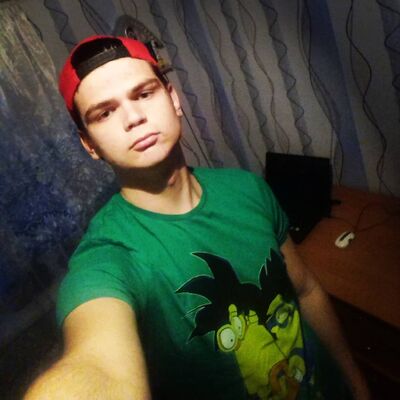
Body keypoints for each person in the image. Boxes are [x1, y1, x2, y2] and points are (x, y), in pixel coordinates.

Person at [24, 35, 370, 400]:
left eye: (144, 94)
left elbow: (305, 289)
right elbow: (97, 366)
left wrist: (355, 382)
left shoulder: (247, 189)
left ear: (173, 99)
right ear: (88, 144)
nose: (133, 117)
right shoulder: (108, 258)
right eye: (104, 113)